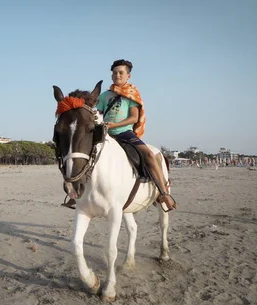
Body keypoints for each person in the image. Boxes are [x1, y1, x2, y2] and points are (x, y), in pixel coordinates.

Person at [62, 59, 176, 211]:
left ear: (128, 75)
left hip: (125, 133)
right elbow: (97, 113)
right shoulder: (105, 96)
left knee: (149, 155)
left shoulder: (132, 94)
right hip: (106, 134)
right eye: (115, 73)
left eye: (121, 73)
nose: (117, 75)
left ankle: (163, 193)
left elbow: (134, 118)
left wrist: (115, 125)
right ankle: (75, 193)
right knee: (81, 154)